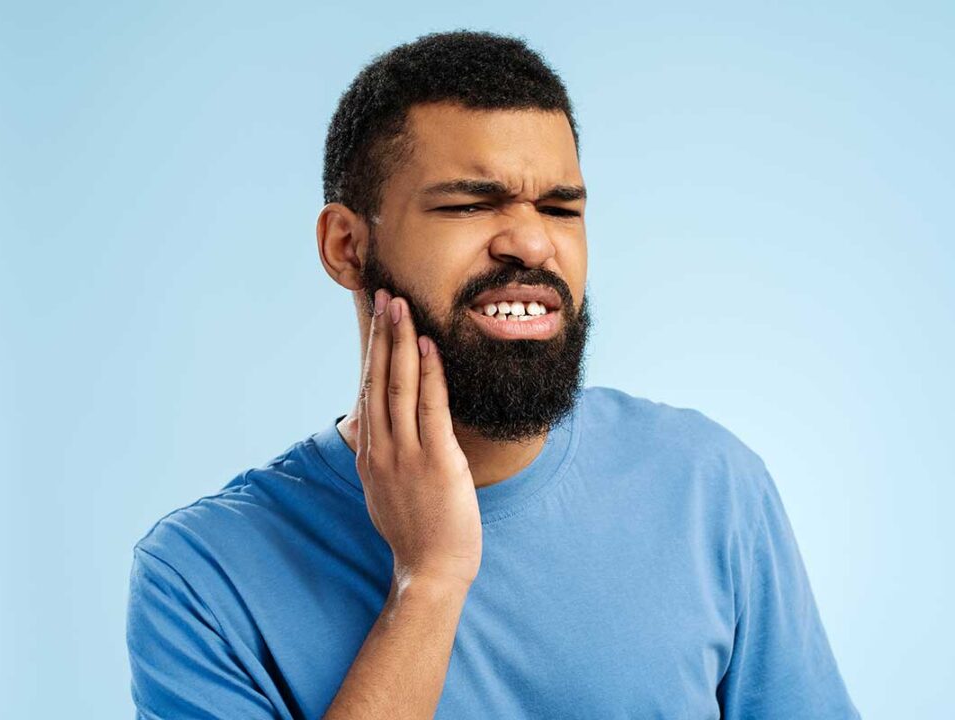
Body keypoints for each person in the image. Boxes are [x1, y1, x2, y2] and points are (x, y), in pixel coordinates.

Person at [126, 30, 861, 719]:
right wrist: (429, 580)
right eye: (470, 204)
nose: (532, 242)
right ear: (347, 245)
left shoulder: (709, 484)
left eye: (560, 208)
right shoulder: (202, 576)